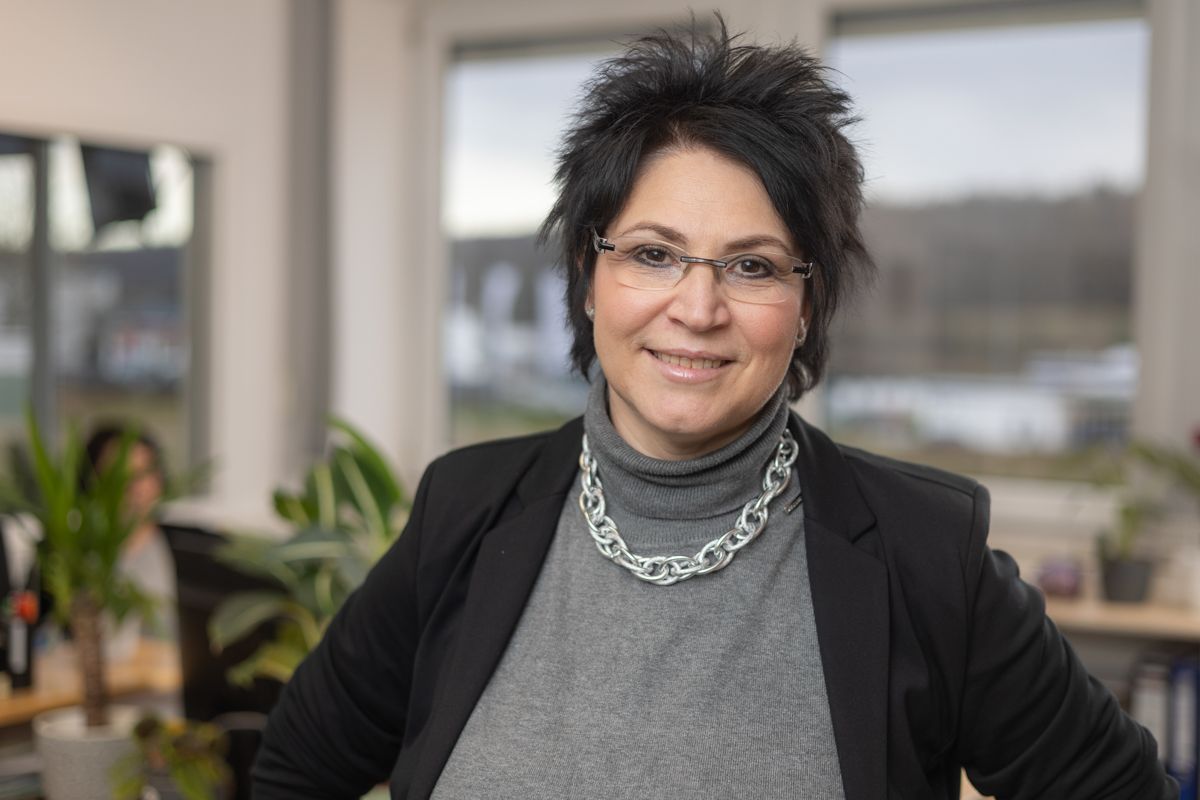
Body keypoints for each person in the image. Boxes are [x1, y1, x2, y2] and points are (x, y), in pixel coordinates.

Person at [253, 19, 1176, 800]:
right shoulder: (466, 508)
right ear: (588, 275)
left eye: (753, 265)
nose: (697, 309)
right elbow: (294, 770)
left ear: (808, 302)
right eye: (653, 253)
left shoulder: (925, 557)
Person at [82, 423, 177, 655]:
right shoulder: (73, 556)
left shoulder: (186, 550)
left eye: (144, 473)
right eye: (118, 476)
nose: (134, 487)